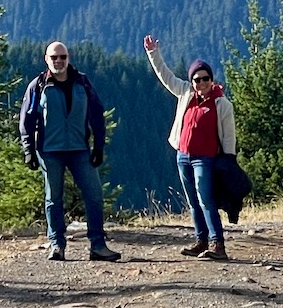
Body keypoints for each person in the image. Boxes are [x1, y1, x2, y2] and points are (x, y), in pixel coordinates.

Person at [19, 40, 121, 262]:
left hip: (80, 150)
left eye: (62, 57)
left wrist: (99, 146)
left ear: (68, 58)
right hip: (49, 151)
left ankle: (98, 245)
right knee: (53, 199)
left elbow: (96, 113)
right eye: (54, 57)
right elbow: (27, 119)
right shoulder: (38, 86)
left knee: (94, 195)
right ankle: (57, 244)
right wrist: (28, 149)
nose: (59, 61)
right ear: (46, 60)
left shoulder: (82, 83)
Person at [143, 33, 236, 260]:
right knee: (193, 201)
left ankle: (217, 244)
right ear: (192, 82)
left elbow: (229, 136)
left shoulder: (221, 104)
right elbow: (165, 76)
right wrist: (153, 53)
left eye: (205, 78)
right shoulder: (185, 93)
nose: (201, 83)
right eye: (197, 79)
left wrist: (229, 161)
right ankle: (201, 240)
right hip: (183, 155)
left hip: (206, 158)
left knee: (206, 199)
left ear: (212, 80)